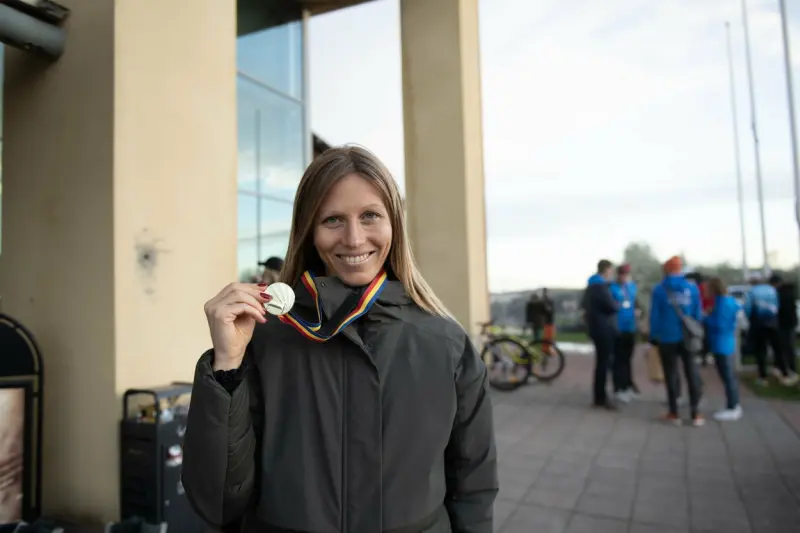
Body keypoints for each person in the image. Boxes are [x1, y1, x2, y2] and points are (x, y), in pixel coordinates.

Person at [182, 146, 498, 533]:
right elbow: (216, 502)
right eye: (332, 219)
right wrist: (227, 365)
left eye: (370, 216)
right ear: (309, 232)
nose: (353, 238)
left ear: (394, 225)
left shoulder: (446, 342)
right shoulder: (264, 338)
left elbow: (474, 488)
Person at [649, 256, 704, 427]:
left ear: (666, 270)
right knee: (692, 373)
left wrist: (653, 335)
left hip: (667, 337)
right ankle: (695, 413)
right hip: (687, 337)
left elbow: (655, 316)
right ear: (680, 269)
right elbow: (697, 314)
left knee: (671, 374)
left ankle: (674, 413)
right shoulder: (692, 288)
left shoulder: (659, 289)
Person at [704, 277, 743, 421]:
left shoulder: (720, 304)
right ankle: (733, 405)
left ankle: (733, 407)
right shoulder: (730, 301)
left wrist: (706, 318)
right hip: (728, 342)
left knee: (727, 376)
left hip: (720, 343)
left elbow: (719, 324)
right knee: (729, 376)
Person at [583, 259, 619, 409]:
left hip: (595, 327)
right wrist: (617, 304)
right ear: (606, 270)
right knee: (604, 363)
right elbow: (612, 307)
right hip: (604, 328)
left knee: (601, 362)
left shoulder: (590, 287)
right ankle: (601, 397)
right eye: (611, 271)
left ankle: (599, 395)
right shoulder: (601, 287)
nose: (612, 274)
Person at [745, 273, 789, 386]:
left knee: (761, 350)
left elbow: (748, 309)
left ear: (752, 282)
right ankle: (784, 372)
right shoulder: (771, 290)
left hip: (759, 323)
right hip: (773, 322)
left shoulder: (752, 292)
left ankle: (763, 376)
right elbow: (777, 306)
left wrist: (750, 320)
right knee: (777, 348)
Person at [609, 264, 639, 403]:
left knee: (627, 359)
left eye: (626, 274)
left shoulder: (632, 287)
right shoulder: (612, 288)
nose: (624, 277)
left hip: (630, 327)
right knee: (618, 360)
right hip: (617, 328)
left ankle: (627, 386)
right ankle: (618, 388)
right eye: (622, 274)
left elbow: (635, 303)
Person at [769, 274, 799, 386]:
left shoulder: (781, 294)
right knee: (788, 347)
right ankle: (788, 369)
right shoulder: (789, 292)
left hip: (783, 324)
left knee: (784, 348)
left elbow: (779, 310)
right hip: (790, 323)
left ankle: (789, 371)